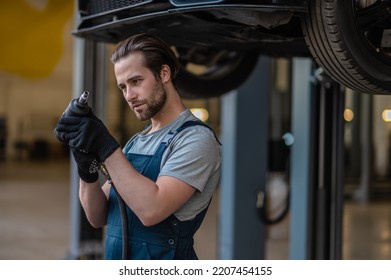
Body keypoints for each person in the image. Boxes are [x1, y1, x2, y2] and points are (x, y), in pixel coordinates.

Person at [55, 33, 221, 260]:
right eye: (123, 87)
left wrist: (106, 147)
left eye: (136, 81)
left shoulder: (195, 139)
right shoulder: (136, 141)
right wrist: (87, 170)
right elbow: (98, 216)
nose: (129, 96)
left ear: (164, 73)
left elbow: (151, 210)